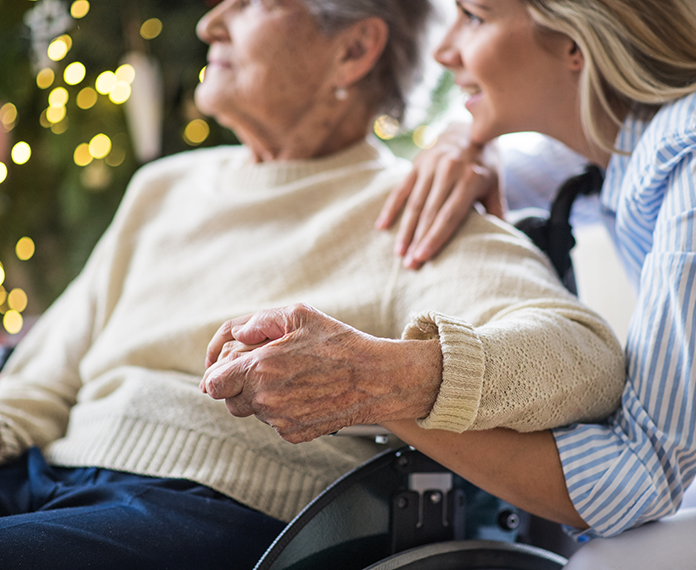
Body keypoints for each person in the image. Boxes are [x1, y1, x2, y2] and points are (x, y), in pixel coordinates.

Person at [0, 0, 625, 567]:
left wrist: (379, 375)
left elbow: (585, 358)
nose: (211, 23)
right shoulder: (163, 187)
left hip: (211, 511)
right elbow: (36, 384)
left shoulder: (411, 208)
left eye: (252, 4)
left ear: (353, 50)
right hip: (45, 476)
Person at [204, 0, 696, 542]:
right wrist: (466, 141)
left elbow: (642, 473)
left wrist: (372, 382)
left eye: (475, 17)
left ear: (575, 43)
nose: (443, 51)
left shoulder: (691, 171)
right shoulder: (621, 146)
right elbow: (495, 163)